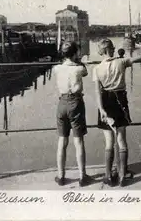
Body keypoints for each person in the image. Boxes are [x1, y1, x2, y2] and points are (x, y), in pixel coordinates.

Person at [93, 39, 141, 187]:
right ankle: (122, 175)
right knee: (121, 139)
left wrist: (101, 110)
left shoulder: (97, 68)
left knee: (109, 142)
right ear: (113, 49)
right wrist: (125, 57)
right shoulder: (121, 62)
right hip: (120, 99)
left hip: (105, 102)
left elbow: (97, 92)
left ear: (101, 52)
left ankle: (108, 176)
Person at [53, 41, 92, 187]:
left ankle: (61, 176)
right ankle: (82, 177)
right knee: (78, 141)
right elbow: (86, 72)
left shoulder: (56, 68)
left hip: (62, 102)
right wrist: (79, 61)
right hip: (76, 103)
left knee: (62, 141)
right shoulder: (79, 68)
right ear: (75, 53)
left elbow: (62, 67)